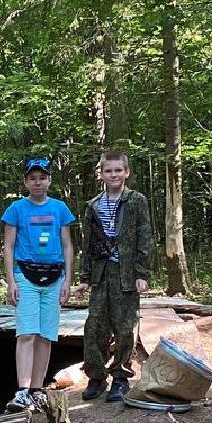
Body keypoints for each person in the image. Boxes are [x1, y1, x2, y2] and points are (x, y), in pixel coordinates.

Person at [73, 150, 152, 402]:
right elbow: (89, 244)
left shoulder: (136, 201)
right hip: (101, 273)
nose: (114, 175)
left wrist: (142, 273)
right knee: (94, 325)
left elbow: (145, 237)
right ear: (101, 174)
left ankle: (120, 377)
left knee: (125, 326)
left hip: (126, 274)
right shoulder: (93, 206)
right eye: (109, 171)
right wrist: (84, 277)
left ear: (126, 172)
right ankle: (96, 377)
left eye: (118, 170)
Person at [0, 155, 75, 411]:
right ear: (26, 182)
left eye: (42, 178)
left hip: (54, 277)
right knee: (27, 334)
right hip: (26, 276)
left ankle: (37, 389)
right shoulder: (16, 210)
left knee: (45, 336)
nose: (38, 183)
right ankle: (21, 390)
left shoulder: (60, 209)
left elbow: (67, 245)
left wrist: (68, 281)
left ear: (49, 180)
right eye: (32, 178)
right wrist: (11, 281)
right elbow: (8, 247)